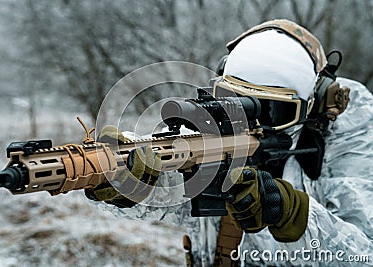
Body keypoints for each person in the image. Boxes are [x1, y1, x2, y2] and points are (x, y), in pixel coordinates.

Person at [85, 19, 373, 266]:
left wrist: (294, 216)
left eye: (275, 109)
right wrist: (131, 180)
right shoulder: (218, 138)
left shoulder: (350, 145)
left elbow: (364, 256)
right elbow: (180, 197)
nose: (252, 120)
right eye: (234, 100)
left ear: (312, 104)